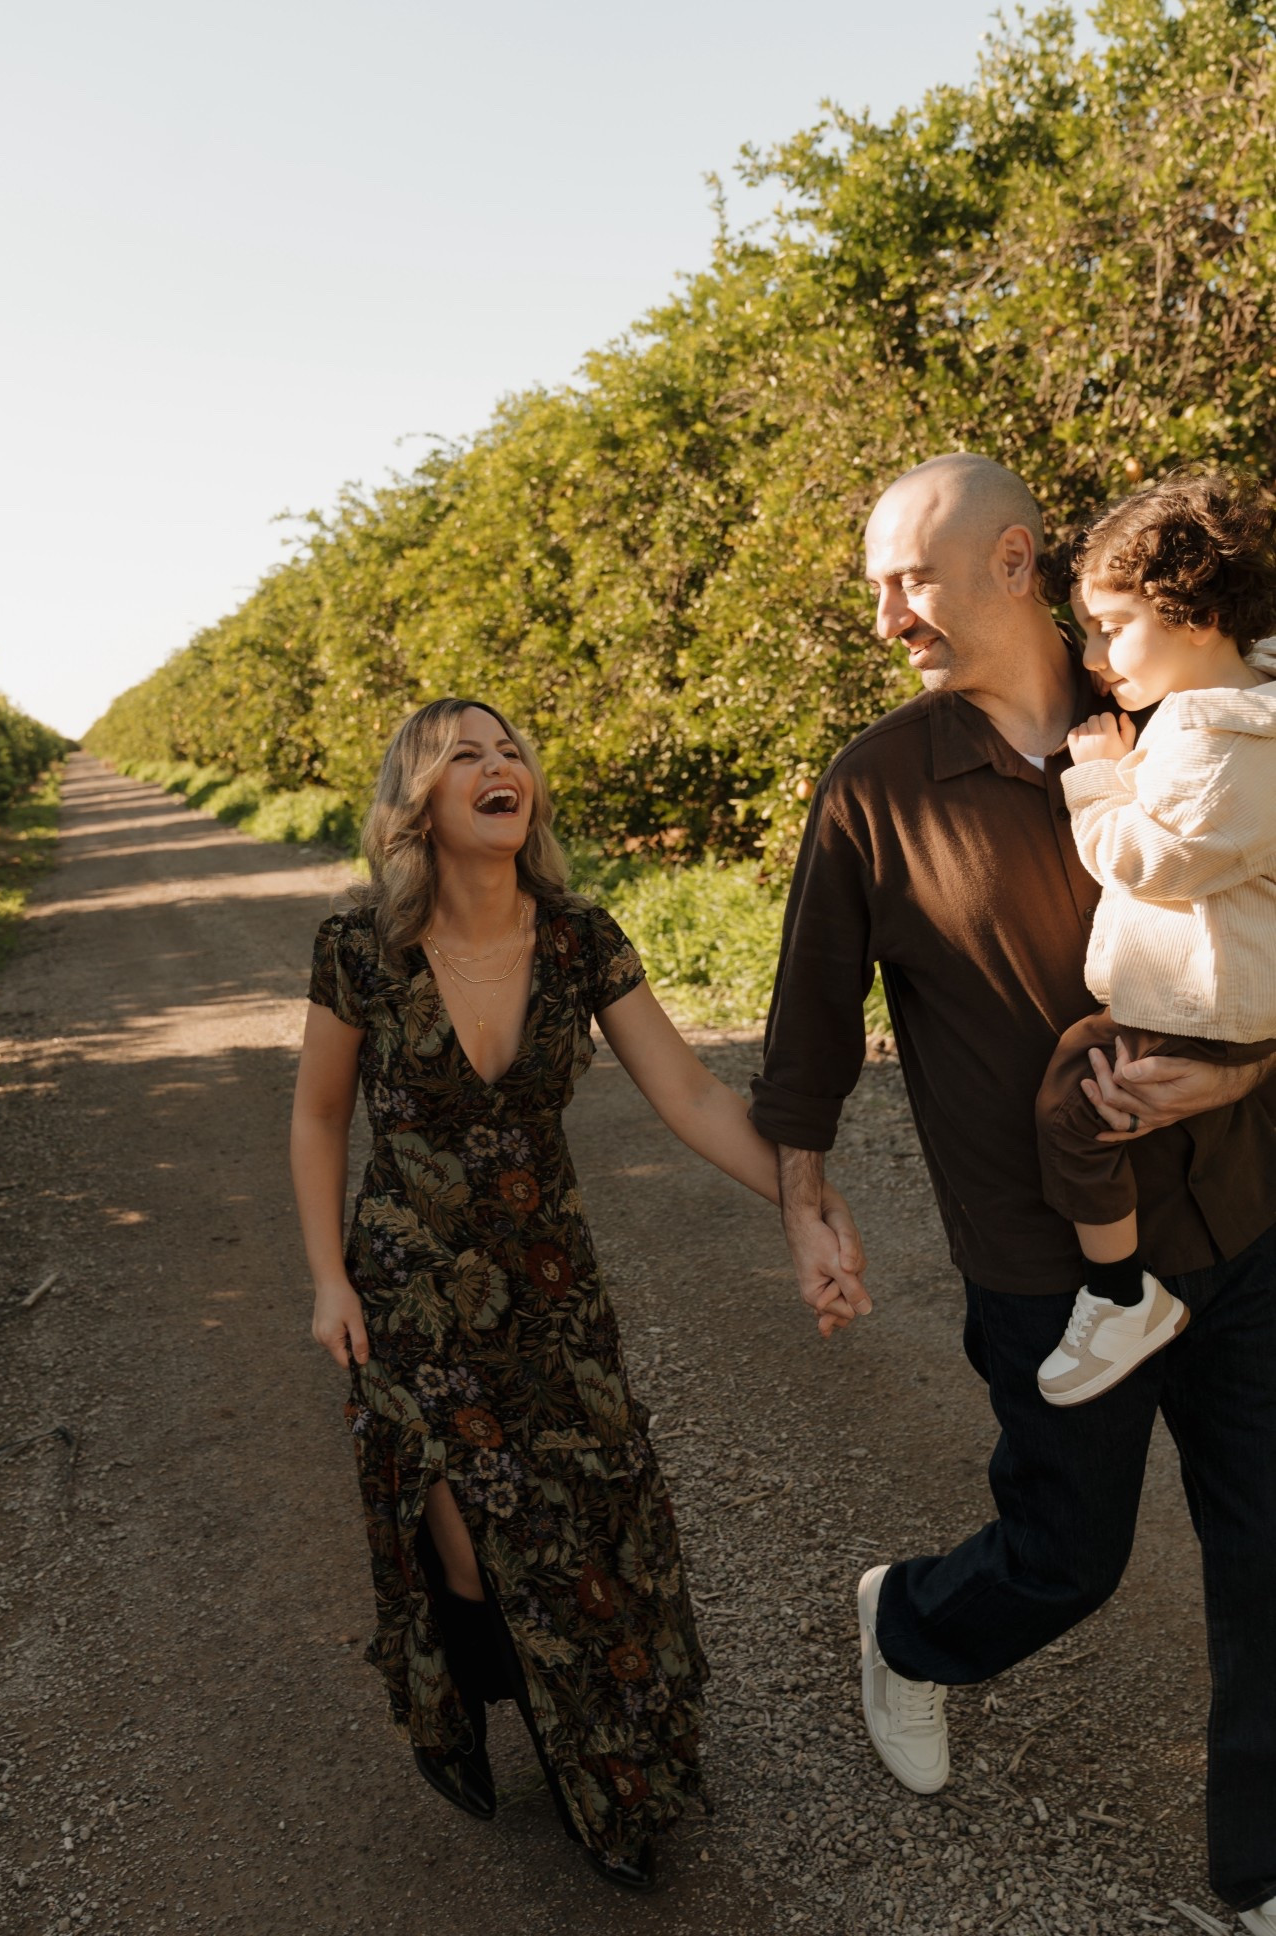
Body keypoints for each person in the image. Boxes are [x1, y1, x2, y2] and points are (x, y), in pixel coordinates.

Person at [748, 453, 1276, 1929]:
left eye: (909, 577)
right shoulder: (874, 787)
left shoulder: (1196, 718)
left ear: (1013, 561)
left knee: (1266, 1551)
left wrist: (1238, 1075)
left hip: (1238, 1216)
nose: (887, 615)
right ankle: (908, 1627)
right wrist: (803, 1197)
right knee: (1068, 1558)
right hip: (1050, 1263)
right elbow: (802, 1034)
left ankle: (1260, 1876)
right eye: (871, 590)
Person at [290, 696, 779, 1893]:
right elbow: (315, 1114)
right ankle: (507, 1722)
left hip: (554, 1290)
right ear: (419, 800)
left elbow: (695, 1097)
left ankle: (610, 1766)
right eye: (465, 755)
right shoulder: (359, 949)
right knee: (471, 1542)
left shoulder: (579, 938)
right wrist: (325, 1277)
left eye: (510, 750)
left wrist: (805, 1200)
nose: (499, 765)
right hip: (409, 1293)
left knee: (594, 1524)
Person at [1034, 474, 1276, 1406]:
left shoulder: (1228, 743)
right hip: (1219, 996)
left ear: (1201, 614)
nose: (1091, 654)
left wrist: (1097, 779)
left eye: (1111, 625)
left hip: (1209, 1005)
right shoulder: (1223, 711)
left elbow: (1150, 859)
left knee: (1073, 1100)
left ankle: (1120, 1294)